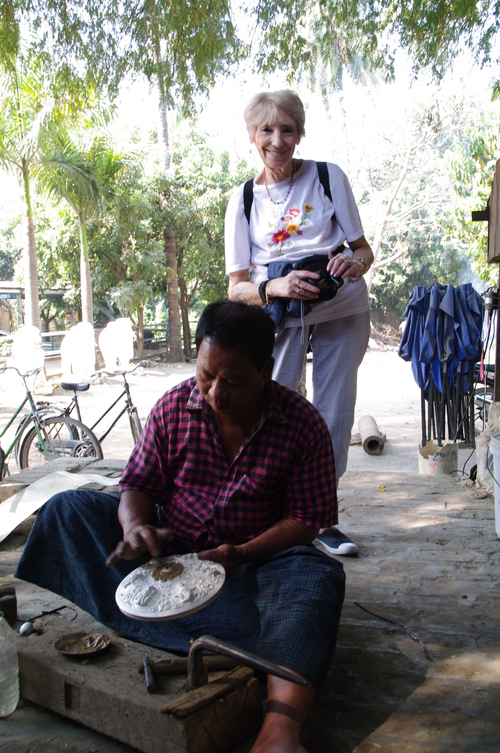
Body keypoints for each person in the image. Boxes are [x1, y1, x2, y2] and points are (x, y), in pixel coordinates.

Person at [15, 301, 345, 753]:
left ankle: (281, 729)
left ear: (267, 370)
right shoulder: (174, 407)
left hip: (250, 571)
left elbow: (307, 521)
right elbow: (136, 484)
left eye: (232, 382)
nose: (214, 393)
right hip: (166, 563)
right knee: (67, 510)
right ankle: (205, 636)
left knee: (317, 574)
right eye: (207, 375)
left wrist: (243, 553)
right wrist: (135, 527)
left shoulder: (302, 425)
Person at [225, 89, 374, 557]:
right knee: (276, 412)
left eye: (287, 129)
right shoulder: (243, 199)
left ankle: (322, 519)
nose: (277, 140)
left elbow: (363, 249)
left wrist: (355, 265)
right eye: (267, 130)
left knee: (333, 411)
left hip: (341, 306)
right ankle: (273, 516)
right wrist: (276, 287)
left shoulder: (329, 177)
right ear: (252, 136)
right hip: (280, 315)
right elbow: (236, 288)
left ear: (300, 133)